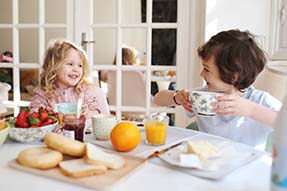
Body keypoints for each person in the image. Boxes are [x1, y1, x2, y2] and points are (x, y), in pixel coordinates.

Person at [153, 29, 282, 149]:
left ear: (233, 76)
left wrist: (251, 110)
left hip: (248, 171)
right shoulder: (203, 96)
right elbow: (158, 99)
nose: (201, 74)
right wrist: (177, 97)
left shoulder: (259, 100)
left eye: (207, 69)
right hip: (209, 165)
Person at [30, 39, 109, 118]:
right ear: (53, 67)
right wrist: (46, 111)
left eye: (80, 65)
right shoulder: (44, 92)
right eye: (70, 64)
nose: (75, 69)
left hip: (79, 129)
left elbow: (97, 113)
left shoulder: (85, 91)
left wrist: (88, 113)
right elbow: (34, 113)